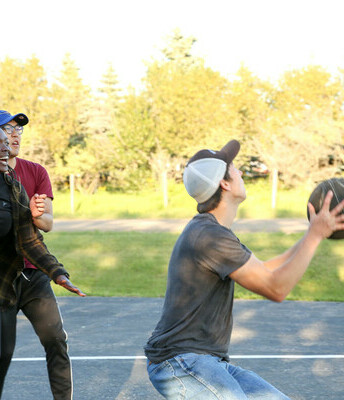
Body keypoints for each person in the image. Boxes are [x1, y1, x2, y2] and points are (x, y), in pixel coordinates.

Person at [144, 139, 344, 400]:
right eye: (234, 168)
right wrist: (315, 236)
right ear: (224, 184)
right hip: (180, 364)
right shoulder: (208, 237)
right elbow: (276, 288)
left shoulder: (213, 232)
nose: (240, 172)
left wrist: (311, 233)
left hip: (207, 362)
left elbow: (266, 270)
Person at [0, 119, 85, 400]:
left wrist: (57, 273)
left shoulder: (12, 190)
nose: (6, 149)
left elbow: (29, 240)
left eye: (7, 143)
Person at [0, 110, 73, 400]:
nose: (14, 135)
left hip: (34, 274)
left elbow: (47, 223)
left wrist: (37, 216)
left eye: (18, 130)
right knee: (1, 352)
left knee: (56, 340)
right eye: (6, 129)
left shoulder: (36, 172)